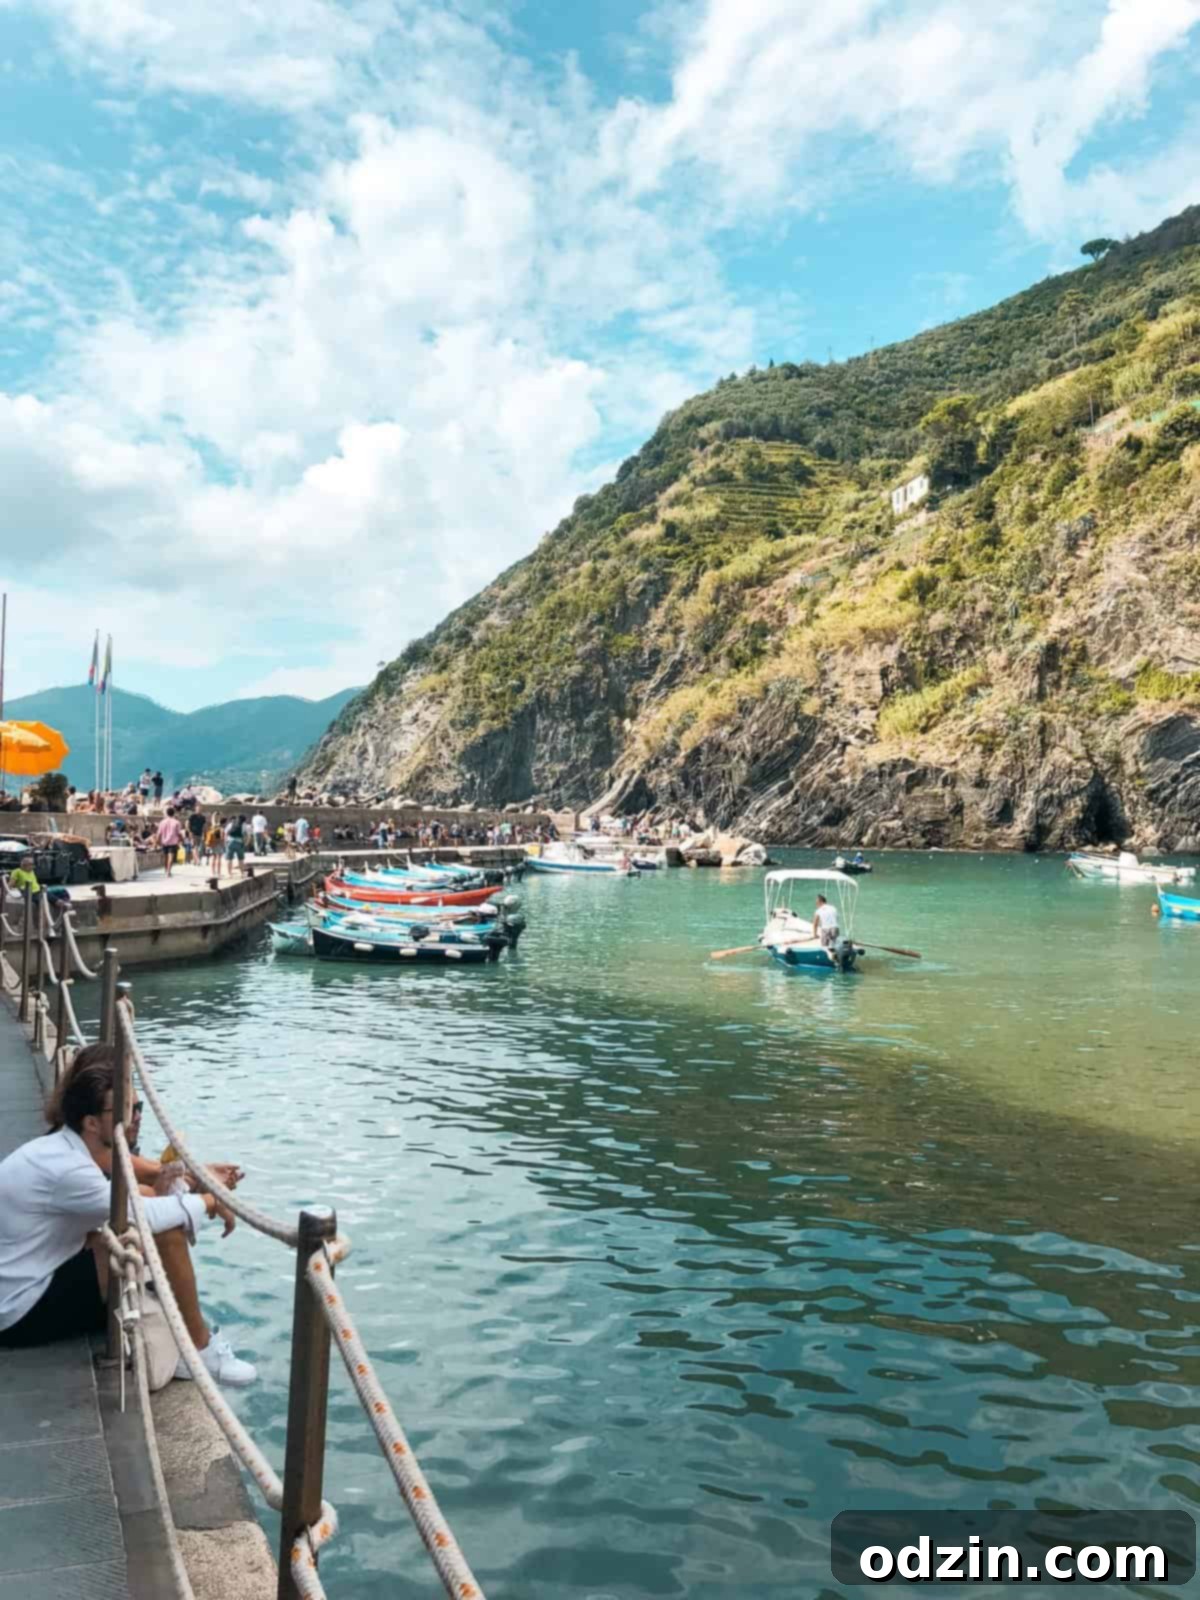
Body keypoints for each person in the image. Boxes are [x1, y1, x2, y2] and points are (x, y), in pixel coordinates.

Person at [0, 1045, 256, 1383]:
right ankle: (201, 1350)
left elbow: (139, 1186)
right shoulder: (70, 1171)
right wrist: (211, 1201)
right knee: (162, 1232)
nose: (136, 1116)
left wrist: (195, 1181)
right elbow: (145, 1214)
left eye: (138, 1106)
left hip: (25, 1279)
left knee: (134, 1229)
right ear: (91, 1122)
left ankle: (181, 1338)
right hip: (17, 1312)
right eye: (124, 1109)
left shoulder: (67, 1146)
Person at [156, 807, 183, 876]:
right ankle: (168, 871)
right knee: (171, 856)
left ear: (167, 813)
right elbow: (179, 833)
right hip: (173, 842)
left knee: (165, 856)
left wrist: (157, 841)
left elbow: (159, 833)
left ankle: (166, 870)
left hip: (164, 842)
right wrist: (181, 839)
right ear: (173, 813)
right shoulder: (176, 822)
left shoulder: (162, 822)